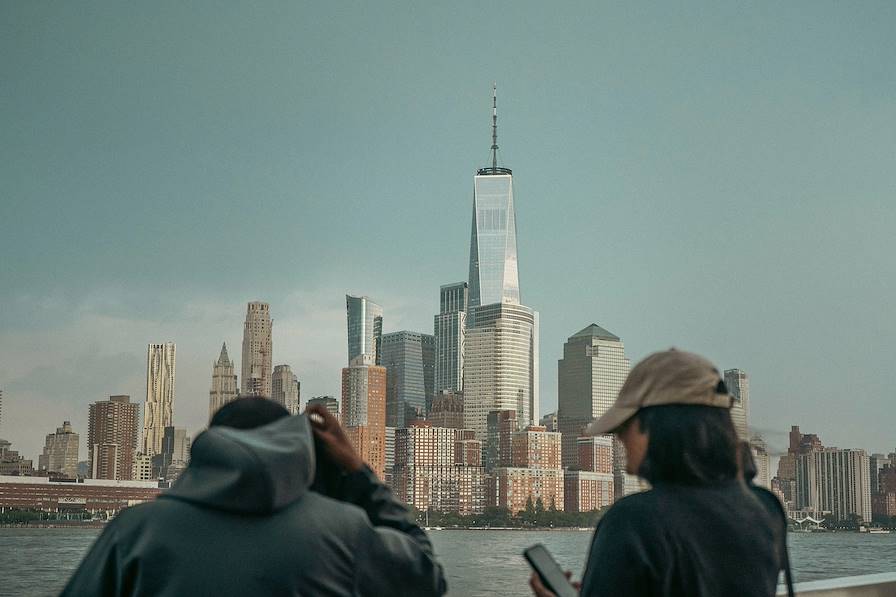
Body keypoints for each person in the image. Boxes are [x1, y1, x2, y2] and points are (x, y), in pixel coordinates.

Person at [62, 397, 447, 596]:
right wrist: (356, 471)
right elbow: (427, 578)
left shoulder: (135, 531)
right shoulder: (344, 532)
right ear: (301, 452)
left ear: (209, 449)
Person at [530, 349, 791, 597]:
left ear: (657, 426)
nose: (618, 438)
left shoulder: (634, 521)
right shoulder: (766, 507)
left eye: (624, 426)